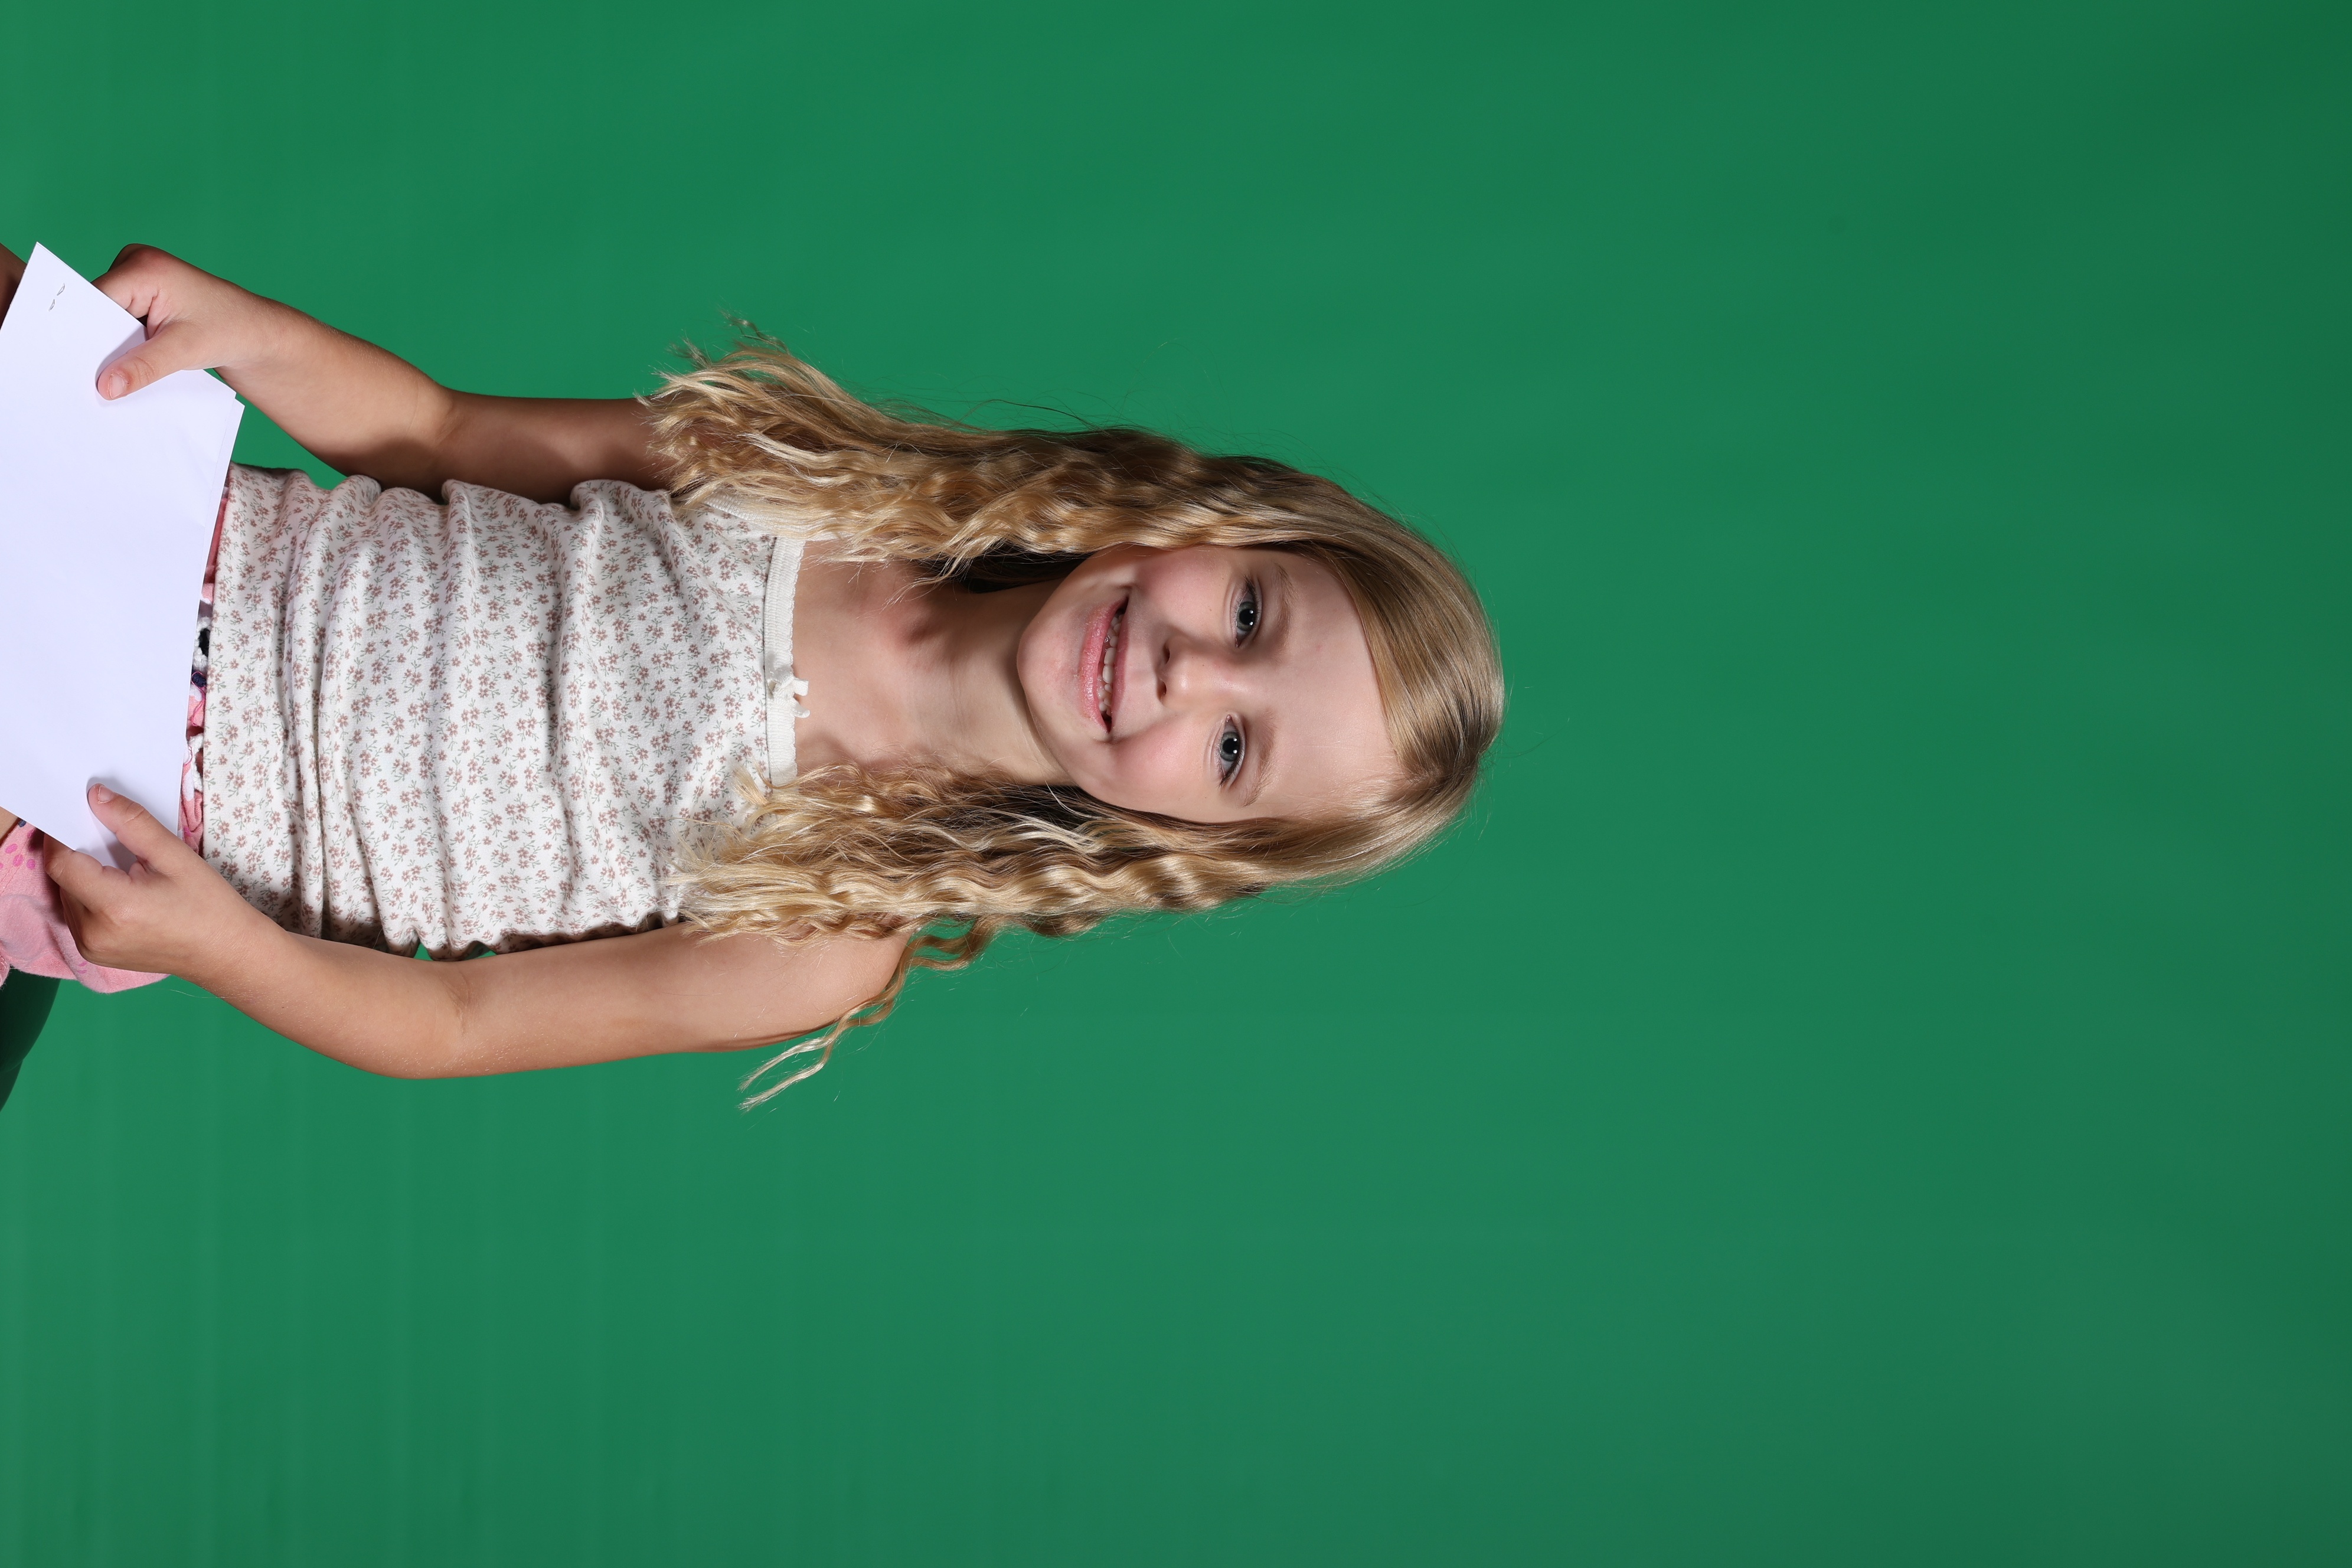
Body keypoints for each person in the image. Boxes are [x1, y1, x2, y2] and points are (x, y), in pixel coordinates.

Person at [0, 241, 1503, 1101]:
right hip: (139, 520)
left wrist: (224, 946)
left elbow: (455, 1026)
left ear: (1183, 843)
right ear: (1209, 523)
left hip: (108, 803)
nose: (1187, 672)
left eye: (1234, 749)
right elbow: (446, 435)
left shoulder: (827, 930)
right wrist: (251, 337)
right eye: (1248, 611)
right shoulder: (827, 491)